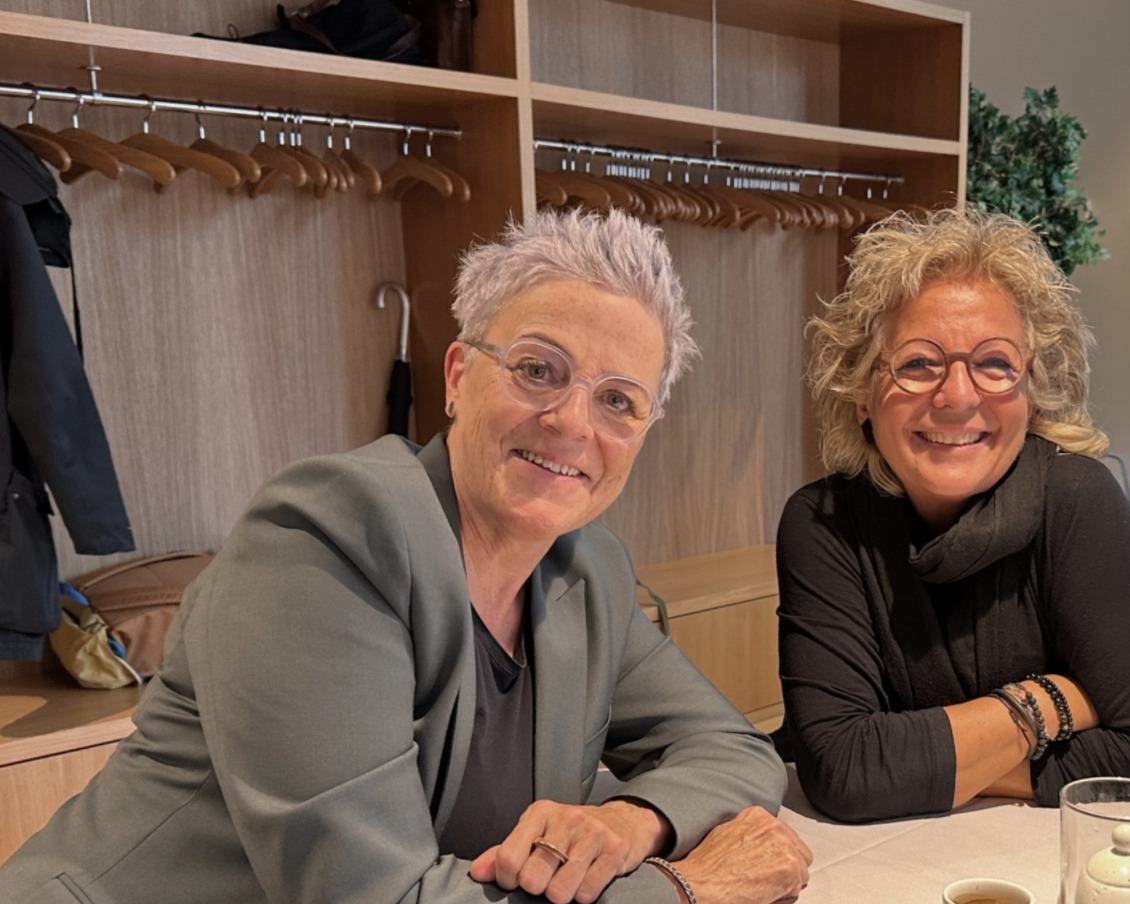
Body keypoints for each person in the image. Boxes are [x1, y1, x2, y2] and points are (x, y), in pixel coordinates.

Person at [0, 209, 811, 904]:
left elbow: (735, 750)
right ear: (457, 376)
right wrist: (684, 889)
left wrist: (633, 820)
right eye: (537, 370)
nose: (572, 423)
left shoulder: (584, 569)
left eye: (618, 401)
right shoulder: (322, 542)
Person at [776, 204, 1130, 823]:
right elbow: (844, 769)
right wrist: (1050, 702)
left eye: (995, 363)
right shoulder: (823, 522)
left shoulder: (1077, 499)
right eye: (917, 363)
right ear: (862, 393)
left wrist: (912, 761)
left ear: (1032, 390)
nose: (957, 396)